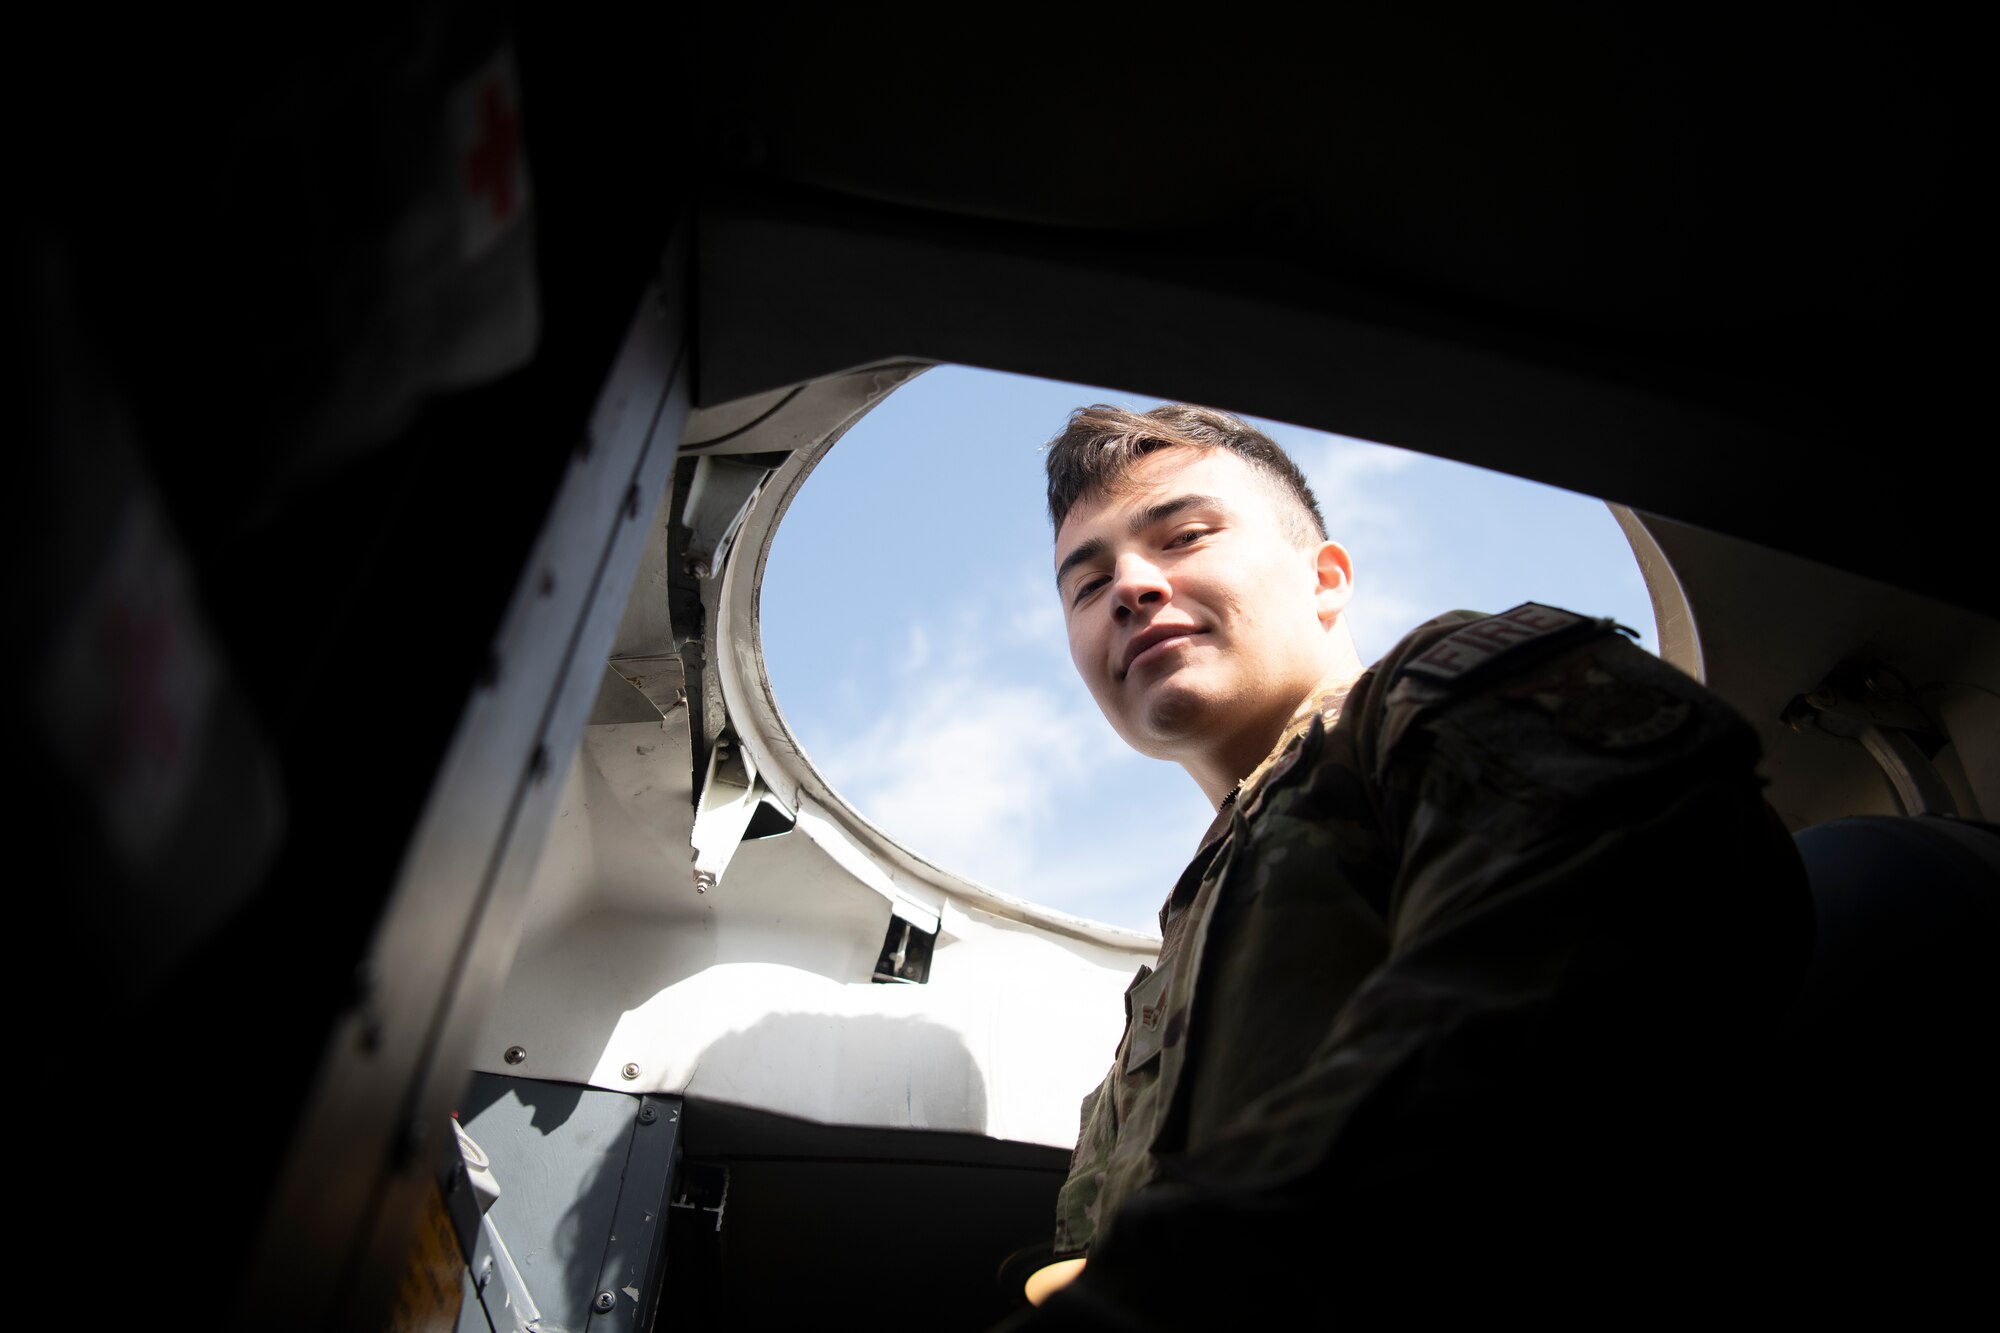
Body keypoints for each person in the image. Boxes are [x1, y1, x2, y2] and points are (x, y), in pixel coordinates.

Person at [998, 404, 1812, 1329]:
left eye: (1183, 537)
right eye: (1087, 583)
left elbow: (1564, 1023)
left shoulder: (1446, 691)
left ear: (1326, 578)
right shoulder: (1176, 961)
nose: (1130, 588)